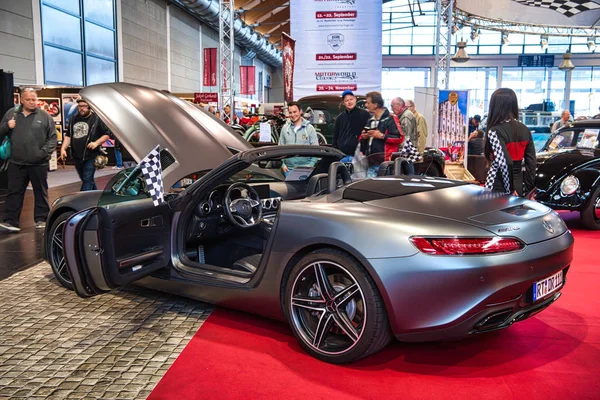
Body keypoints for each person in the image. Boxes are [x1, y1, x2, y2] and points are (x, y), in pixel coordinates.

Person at [0, 88, 57, 232]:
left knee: (40, 191)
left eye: (34, 99)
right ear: (22, 100)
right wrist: (7, 126)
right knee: (14, 192)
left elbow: (52, 138)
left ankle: (41, 219)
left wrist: (43, 153)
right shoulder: (11, 114)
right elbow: (1, 131)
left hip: (38, 163)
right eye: (29, 100)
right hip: (16, 162)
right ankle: (10, 222)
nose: (32, 102)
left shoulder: (44, 116)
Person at [484, 88, 536, 197]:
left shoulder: (494, 131)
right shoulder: (525, 129)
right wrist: (529, 190)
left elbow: (504, 163)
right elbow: (531, 163)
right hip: (519, 184)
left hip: (498, 185)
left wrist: (510, 190)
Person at [60, 99, 111, 191]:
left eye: (84, 106)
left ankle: (81, 201)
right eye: (80, 106)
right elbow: (68, 136)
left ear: (89, 107)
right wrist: (63, 148)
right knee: (87, 179)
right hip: (76, 156)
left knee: (87, 179)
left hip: (91, 155)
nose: (81, 108)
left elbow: (107, 134)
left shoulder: (96, 119)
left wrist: (96, 143)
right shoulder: (73, 119)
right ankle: (96, 197)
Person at [359, 91, 403, 177]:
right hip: (371, 163)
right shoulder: (370, 120)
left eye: (368, 103)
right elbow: (363, 140)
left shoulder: (391, 119)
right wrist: (364, 138)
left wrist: (382, 136)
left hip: (386, 163)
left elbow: (399, 138)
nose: (366, 105)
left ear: (375, 104)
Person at [278, 101, 319, 174]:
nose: (292, 115)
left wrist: (310, 165)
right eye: (290, 112)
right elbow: (279, 149)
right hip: (288, 169)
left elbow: (316, 150)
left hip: (306, 169)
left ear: (300, 111)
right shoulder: (285, 128)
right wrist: (283, 164)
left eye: (295, 112)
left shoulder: (310, 128)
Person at [333, 90, 370, 162]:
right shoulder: (339, 118)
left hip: (358, 156)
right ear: (343, 103)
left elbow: (367, 134)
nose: (349, 102)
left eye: (351, 99)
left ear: (355, 99)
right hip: (342, 156)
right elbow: (335, 137)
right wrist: (336, 153)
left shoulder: (365, 115)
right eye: (346, 100)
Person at [390, 97, 417, 174]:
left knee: (408, 173)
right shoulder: (405, 114)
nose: (391, 109)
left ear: (399, 105)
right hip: (407, 148)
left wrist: (400, 151)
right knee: (408, 172)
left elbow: (405, 136)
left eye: (392, 106)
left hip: (406, 149)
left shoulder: (405, 116)